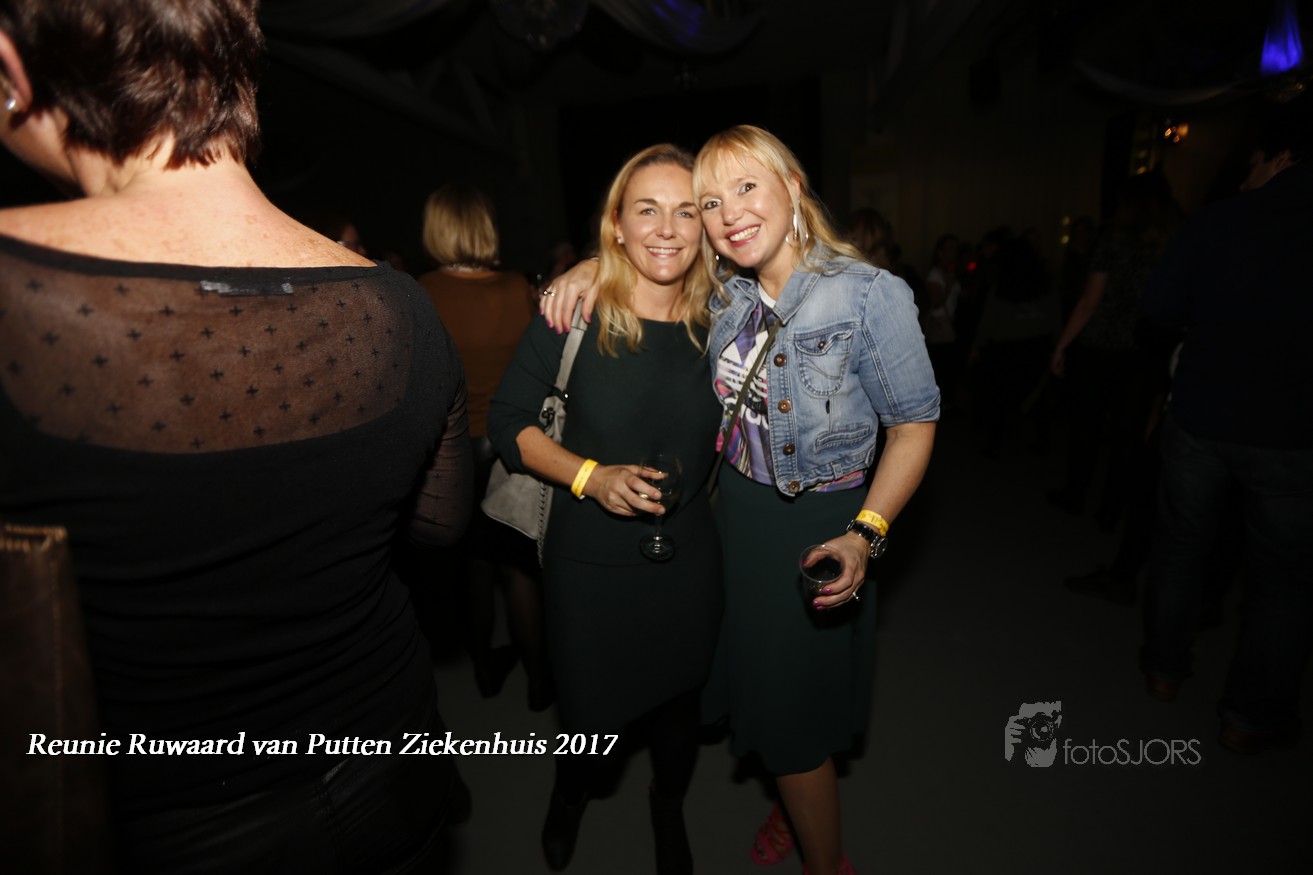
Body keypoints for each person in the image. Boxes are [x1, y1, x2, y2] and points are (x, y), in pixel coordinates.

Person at [0, 1, 471, 870]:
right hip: (393, 764)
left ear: (14, 72)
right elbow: (440, 527)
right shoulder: (401, 306)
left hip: (165, 817)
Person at [543, 125, 939, 875]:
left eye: (747, 188)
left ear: (793, 186)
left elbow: (914, 425)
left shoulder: (868, 294)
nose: (728, 214)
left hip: (819, 524)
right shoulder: (724, 292)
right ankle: (793, 806)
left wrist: (865, 532)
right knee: (766, 691)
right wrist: (593, 264)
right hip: (736, 521)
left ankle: (825, 862)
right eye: (711, 202)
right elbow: (652, 260)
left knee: (791, 718)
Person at [487, 144, 722, 874]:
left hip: (688, 559)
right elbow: (508, 421)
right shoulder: (576, 314)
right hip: (587, 563)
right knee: (590, 718)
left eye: (687, 211)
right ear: (616, 224)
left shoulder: (728, 319)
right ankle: (569, 796)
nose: (667, 229)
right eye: (647, 210)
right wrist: (589, 476)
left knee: (679, 707)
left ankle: (667, 809)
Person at [1138, 98, 1313, 754]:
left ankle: (1163, 669)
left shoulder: (1219, 220)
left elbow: (1158, 307)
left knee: (1182, 548)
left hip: (1203, 415)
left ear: (1279, 157)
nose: (1246, 174)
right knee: (1282, 582)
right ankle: (1248, 715)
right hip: (1295, 431)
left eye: (1252, 162)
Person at [417, 184, 553, 710]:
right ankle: (539, 683)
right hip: (512, 445)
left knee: (474, 567)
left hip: (450, 452)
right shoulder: (518, 287)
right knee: (518, 568)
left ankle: (484, 673)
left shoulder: (421, 291)